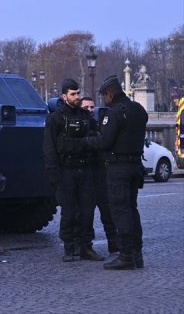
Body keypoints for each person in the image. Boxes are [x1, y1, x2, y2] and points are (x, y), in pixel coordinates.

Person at [42, 79, 103, 262]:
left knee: (87, 211)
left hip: (85, 169)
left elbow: (97, 138)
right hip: (65, 170)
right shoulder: (55, 119)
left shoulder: (86, 117)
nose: (77, 97)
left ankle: (85, 247)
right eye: (73, 94)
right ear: (64, 96)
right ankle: (69, 248)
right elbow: (49, 147)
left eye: (78, 93)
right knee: (69, 212)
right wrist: (52, 171)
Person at [97, 75, 148, 270]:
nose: (104, 100)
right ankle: (137, 253)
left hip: (118, 168)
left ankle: (125, 255)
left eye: (104, 96)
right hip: (135, 165)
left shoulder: (115, 113)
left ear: (110, 94)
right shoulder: (139, 110)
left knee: (121, 211)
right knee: (132, 209)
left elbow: (105, 142)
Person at [81, 96, 117, 254]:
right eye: (86, 107)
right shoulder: (81, 126)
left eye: (91, 107)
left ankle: (113, 242)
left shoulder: (96, 124)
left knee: (108, 212)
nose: (89, 110)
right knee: (86, 214)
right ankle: (86, 245)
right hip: (86, 174)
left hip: (101, 174)